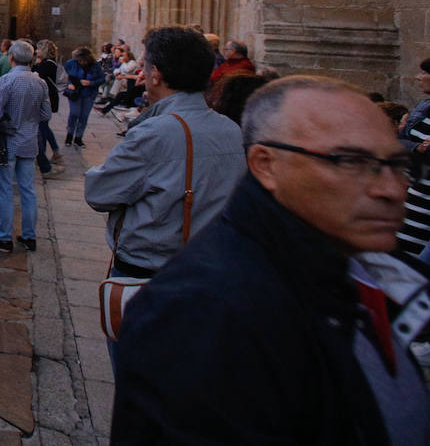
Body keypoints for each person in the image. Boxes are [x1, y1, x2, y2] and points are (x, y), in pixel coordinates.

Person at [113, 76, 430, 443]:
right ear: (266, 163)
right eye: (352, 161)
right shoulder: (205, 311)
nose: (392, 188)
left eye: (397, 164)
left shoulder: (378, 271)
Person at [84, 26, 247, 365]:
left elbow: (99, 192)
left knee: (139, 377)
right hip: (210, 275)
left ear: (156, 75)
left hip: (151, 275)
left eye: (146, 67)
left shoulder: (156, 132)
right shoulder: (231, 130)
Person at [0, 40, 51, 253]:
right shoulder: (40, 83)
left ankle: (4, 236)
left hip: (7, 142)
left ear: (11, 58)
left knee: (4, 189)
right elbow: (46, 114)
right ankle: (29, 235)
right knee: (28, 190)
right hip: (29, 142)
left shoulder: (7, 81)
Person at [62, 46, 105, 147]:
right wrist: (69, 84)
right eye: (79, 60)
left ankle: (78, 137)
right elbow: (67, 74)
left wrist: (90, 83)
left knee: (84, 116)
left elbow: (102, 79)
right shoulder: (71, 63)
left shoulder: (95, 66)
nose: (81, 62)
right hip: (75, 93)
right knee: (74, 113)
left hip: (88, 94)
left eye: (83, 60)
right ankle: (69, 134)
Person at [31, 40, 62, 173]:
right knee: (44, 126)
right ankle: (55, 152)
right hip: (45, 97)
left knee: (42, 127)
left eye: (38, 50)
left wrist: (36, 65)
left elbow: (35, 76)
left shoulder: (48, 64)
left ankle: (43, 155)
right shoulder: (43, 64)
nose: (36, 52)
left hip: (47, 98)